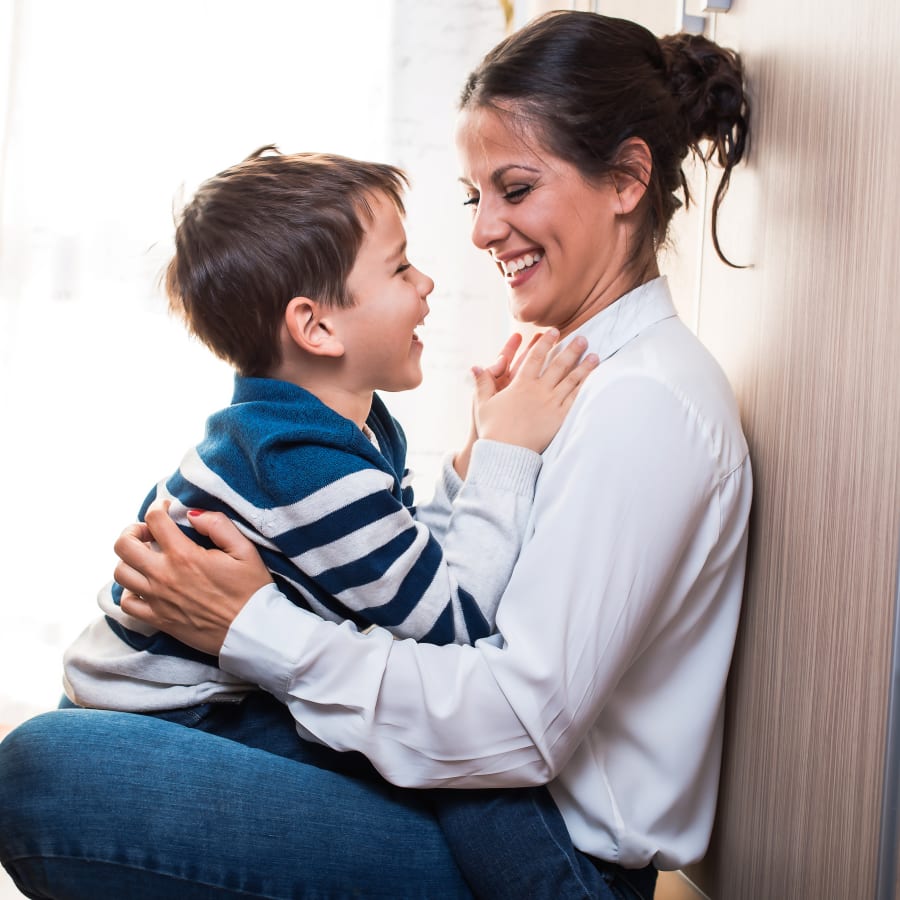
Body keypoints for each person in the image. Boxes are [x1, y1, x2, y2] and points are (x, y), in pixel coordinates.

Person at [0, 11, 752, 900]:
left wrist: (249, 628)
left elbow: (512, 720)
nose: (479, 234)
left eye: (514, 189)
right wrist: (482, 461)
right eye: (480, 199)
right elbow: (429, 590)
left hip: (538, 847)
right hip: (470, 805)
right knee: (65, 754)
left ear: (627, 178)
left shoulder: (646, 408)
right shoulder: (575, 382)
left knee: (41, 769)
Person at [56, 144, 599, 897]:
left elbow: (403, 573)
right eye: (402, 268)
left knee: (404, 720)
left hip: (201, 703)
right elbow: (453, 624)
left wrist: (475, 455)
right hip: (168, 723)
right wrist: (510, 454)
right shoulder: (301, 465)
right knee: (433, 748)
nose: (428, 282)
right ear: (316, 329)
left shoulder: (331, 427)